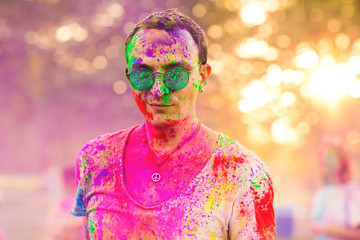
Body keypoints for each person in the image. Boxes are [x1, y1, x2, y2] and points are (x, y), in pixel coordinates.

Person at [72, 9, 275, 239]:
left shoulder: (241, 171)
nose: (158, 90)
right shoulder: (97, 158)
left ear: (203, 77)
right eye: (143, 74)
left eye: (176, 74)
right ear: (129, 77)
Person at [310, 136, 360, 240]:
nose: (324, 160)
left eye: (330, 156)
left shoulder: (352, 193)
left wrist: (330, 230)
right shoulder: (320, 194)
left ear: (342, 162)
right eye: (321, 155)